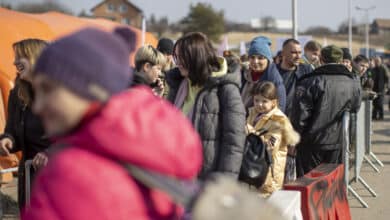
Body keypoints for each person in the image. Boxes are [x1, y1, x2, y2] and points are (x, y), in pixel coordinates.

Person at [22, 27, 202, 220]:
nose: (38, 106)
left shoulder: (69, 174)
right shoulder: (159, 146)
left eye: (48, 89)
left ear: (87, 89)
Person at [166, 32, 246, 179]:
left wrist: (223, 185)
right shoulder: (177, 86)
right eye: (176, 57)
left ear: (197, 57)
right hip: (175, 178)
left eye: (182, 57)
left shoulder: (226, 88)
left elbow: (234, 142)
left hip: (207, 181)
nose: (178, 63)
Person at [291, 45, 361, 177]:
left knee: (310, 184)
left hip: (310, 143)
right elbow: (355, 108)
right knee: (332, 183)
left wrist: (293, 139)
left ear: (321, 59)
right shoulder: (353, 82)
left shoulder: (309, 81)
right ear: (341, 61)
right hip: (339, 141)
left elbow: (300, 116)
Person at [0, 39, 51, 210]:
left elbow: (79, 135)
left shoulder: (62, 94)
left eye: (20, 57)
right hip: (28, 180)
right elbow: (12, 131)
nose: (14, 62)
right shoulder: (18, 93)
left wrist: (51, 152)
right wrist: (7, 140)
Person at [246, 81, 299, 197]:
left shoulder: (278, 121)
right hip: (253, 171)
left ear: (274, 102)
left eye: (264, 101)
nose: (259, 104)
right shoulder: (252, 114)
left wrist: (249, 131)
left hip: (269, 175)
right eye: (256, 100)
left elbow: (270, 147)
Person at [240, 36, 286, 112]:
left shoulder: (274, 80)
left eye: (260, 58)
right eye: (252, 57)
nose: (255, 61)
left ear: (268, 60)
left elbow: (279, 110)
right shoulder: (243, 75)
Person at [276, 39, 312, 117]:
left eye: (300, 52)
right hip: (277, 120)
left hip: (298, 122)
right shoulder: (273, 72)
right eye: (294, 52)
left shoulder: (307, 71)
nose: (298, 56)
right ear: (283, 53)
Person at [371, 56, 389, 120]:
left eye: (378, 61)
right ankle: (374, 116)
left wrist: (386, 87)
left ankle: (381, 116)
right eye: (376, 61)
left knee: (380, 103)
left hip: (382, 89)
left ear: (380, 61)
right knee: (375, 103)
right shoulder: (373, 69)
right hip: (374, 89)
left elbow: (387, 78)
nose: (377, 62)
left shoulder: (383, 69)